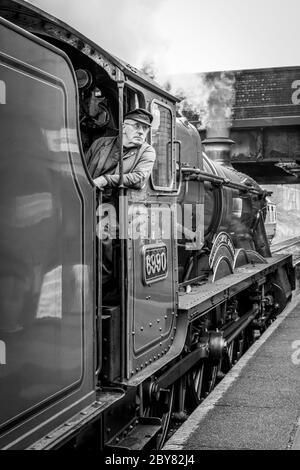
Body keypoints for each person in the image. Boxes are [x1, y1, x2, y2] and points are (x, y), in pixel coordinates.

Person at [85, 108, 156, 190]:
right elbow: (82, 169)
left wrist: (106, 180)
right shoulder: (100, 143)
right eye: (136, 126)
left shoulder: (147, 151)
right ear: (123, 127)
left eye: (145, 128)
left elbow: (139, 179)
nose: (141, 132)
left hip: (118, 201)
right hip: (89, 196)